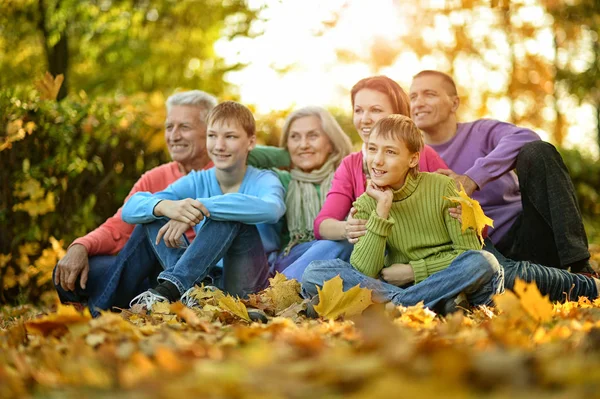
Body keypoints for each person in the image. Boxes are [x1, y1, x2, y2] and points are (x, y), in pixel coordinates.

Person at [409, 70, 599, 301]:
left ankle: (581, 267)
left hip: (527, 234)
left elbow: (527, 137)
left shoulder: (481, 132)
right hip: (480, 253)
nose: (418, 103)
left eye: (429, 94)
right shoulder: (411, 158)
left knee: (537, 153)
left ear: (454, 103)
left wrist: (471, 179)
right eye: (413, 97)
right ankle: (537, 283)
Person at [90, 101, 286, 314]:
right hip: (202, 280)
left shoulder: (265, 179)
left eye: (230, 137)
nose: (219, 145)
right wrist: (165, 207)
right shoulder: (196, 181)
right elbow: (131, 209)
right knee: (154, 214)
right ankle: (189, 290)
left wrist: (202, 205)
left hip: (248, 284)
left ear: (250, 142)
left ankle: (170, 288)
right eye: (212, 136)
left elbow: (272, 209)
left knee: (229, 215)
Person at [302, 115, 504, 312]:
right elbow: (364, 271)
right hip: (399, 289)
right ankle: (418, 304)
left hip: (449, 279)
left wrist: (413, 271)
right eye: (372, 149)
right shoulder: (366, 202)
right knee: (315, 272)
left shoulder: (444, 188)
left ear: (413, 159)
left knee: (484, 262)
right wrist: (381, 211)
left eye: (390, 152)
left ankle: (399, 305)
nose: (377, 161)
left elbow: (467, 252)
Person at [53, 90, 217, 305]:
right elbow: (118, 228)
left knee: (150, 223)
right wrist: (81, 246)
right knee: (68, 273)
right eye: (169, 127)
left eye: (184, 127)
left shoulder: (225, 174)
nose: (174, 136)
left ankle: (101, 312)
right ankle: (146, 301)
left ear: (210, 132)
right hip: (150, 272)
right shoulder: (154, 177)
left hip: (203, 276)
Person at [314, 75, 448, 244]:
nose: (365, 119)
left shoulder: (423, 155)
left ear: (398, 116)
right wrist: (348, 229)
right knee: (330, 247)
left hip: (418, 253)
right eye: (358, 110)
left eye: (376, 110)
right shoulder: (351, 164)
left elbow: (459, 217)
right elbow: (322, 224)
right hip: (368, 250)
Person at [267, 107, 354, 280]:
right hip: (293, 260)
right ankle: (277, 294)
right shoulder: (279, 180)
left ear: (331, 142)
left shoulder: (349, 177)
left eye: (312, 136)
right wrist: (283, 156)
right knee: (338, 242)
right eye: (294, 137)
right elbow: (245, 155)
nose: (303, 144)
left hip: (340, 265)